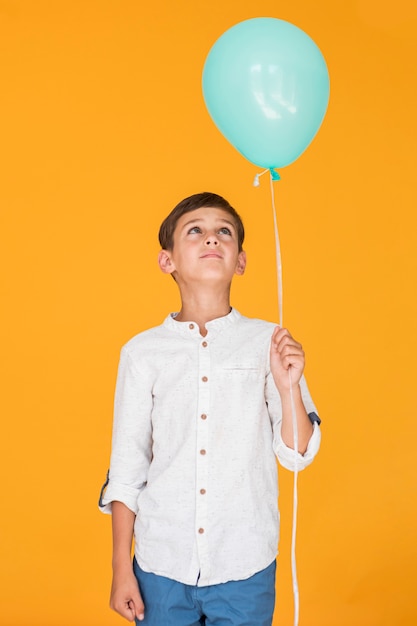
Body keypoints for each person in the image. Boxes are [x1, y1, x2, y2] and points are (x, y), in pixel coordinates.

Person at [99, 192, 321, 626]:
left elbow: (297, 454)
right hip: (161, 564)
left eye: (225, 232)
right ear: (168, 261)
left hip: (245, 564)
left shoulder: (269, 343)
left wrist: (288, 386)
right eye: (195, 231)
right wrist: (120, 568)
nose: (212, 239)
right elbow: (127, 467)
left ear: (240, 260)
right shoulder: (142, 353)